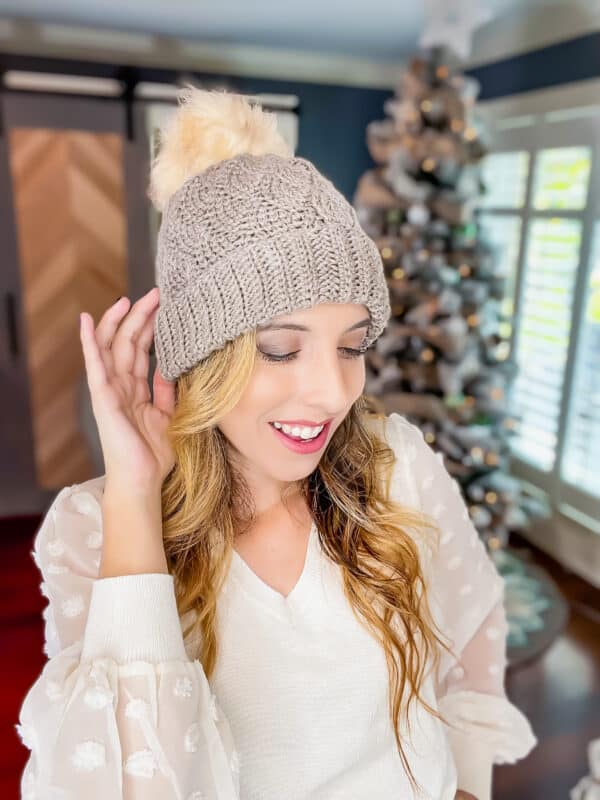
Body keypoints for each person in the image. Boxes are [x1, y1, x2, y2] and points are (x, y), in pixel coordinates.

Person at [15, 86, 537, 800]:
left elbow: (473, 632)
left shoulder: (397, 465)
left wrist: (469, 789)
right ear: (201, 355)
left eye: (352, 347)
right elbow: (124, 782)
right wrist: (135, 499)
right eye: (281, 350)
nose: (331, 392)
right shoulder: (92, 531)